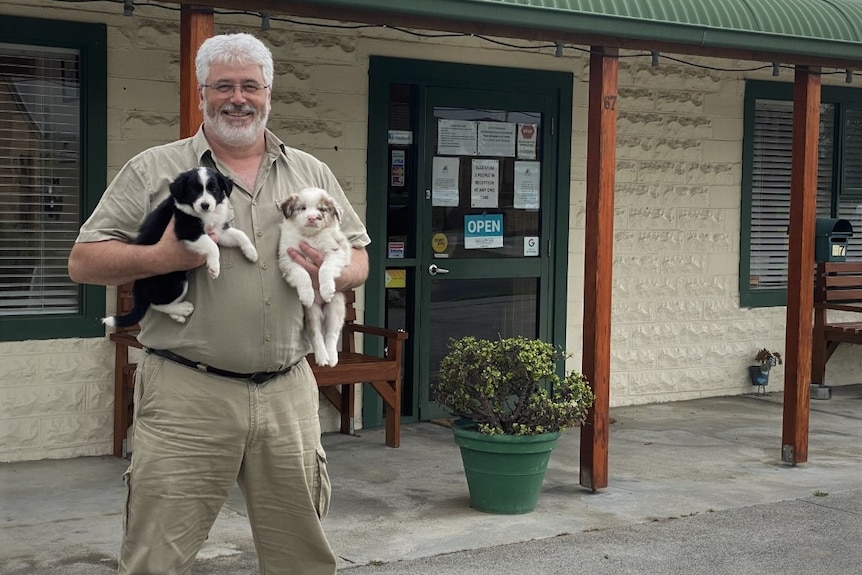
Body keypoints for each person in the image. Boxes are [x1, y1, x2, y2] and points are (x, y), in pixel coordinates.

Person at [68, 32, 369, 575]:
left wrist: (334, 269)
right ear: (202, 93)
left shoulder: (310, 173)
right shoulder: (153, 168)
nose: (238, 97)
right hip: (187, 392)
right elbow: (84, 261)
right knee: (156, 557)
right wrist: (160, 257)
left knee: (302, 557)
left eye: (250, 86)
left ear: (269, 93)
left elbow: (362, 259)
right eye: (224, 86)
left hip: (288, 392)